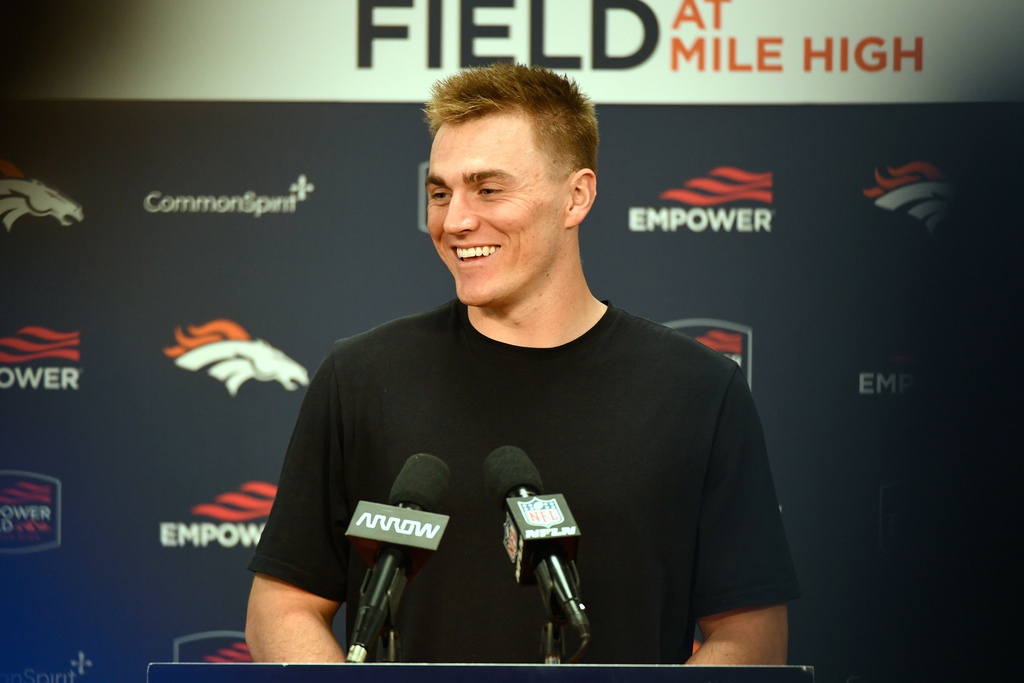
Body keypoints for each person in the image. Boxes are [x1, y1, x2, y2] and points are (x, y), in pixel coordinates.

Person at [245, 62, 799, 665]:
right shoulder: (359, 378)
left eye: (488, 189)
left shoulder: (698, 390)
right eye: (440, 193)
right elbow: (283, 607)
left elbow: (749, 635)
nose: (455, 220)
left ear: (576, 196)